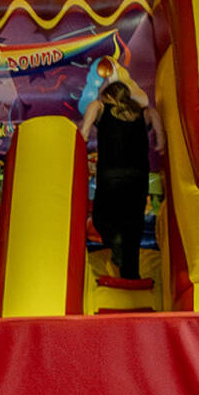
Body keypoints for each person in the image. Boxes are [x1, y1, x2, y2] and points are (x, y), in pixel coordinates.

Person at [78, 77, 160, 281]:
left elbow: (89, 119)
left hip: (111, 175)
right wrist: (161, 140)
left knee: (101, 218)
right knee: (133, 227)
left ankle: (116, 244)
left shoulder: (102, 109)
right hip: (138, 177)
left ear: (109, 96)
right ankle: (131, 275)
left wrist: (83, 135)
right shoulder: (142, 114)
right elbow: (153, 116)